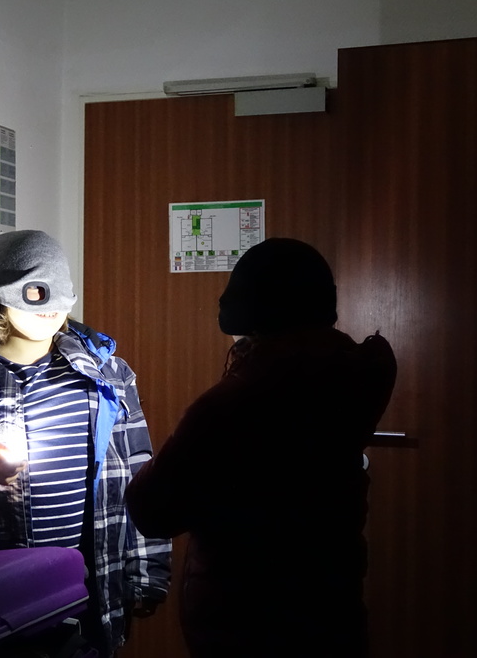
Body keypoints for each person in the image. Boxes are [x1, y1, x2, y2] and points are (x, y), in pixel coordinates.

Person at [0, 229, 170, 657]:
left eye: (60, 292)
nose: (50, 307)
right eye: (36, 292)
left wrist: (147, 572)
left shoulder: (106, 375)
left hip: (88, 591)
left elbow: (138, 469)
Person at [125, 237, 397, 658]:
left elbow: (152, 509)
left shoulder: (235, 403)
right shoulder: (350, 375)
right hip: (331, 609)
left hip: (247, 622)